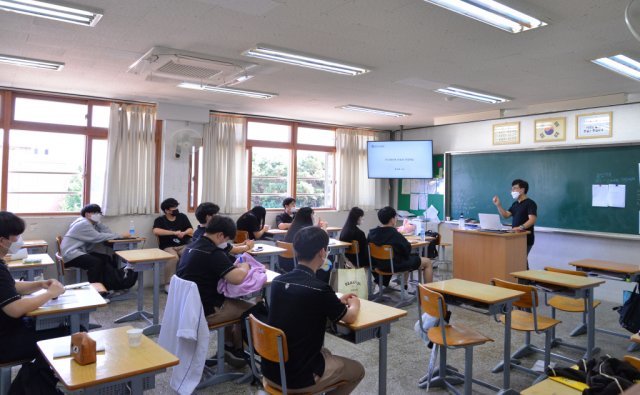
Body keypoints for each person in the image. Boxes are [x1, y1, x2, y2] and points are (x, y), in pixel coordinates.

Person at [263, 226, 364, 394]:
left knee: (327, 353)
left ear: (296, 250)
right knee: (357, 370)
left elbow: (300, 307)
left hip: (271, 371)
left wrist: (335, 301)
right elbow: (351, 317)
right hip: (298, 378)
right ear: (322, 252)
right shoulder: (320, 289)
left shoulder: (278, 282)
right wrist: (356, 303)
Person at [0, 211, 67, 390]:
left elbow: (10, 286)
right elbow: (14, 309)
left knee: (55, 326)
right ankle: (29, 387)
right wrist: (49, 294)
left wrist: (41, 285)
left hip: (7, 330)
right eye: (16, 235)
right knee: (71, 334)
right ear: (2, 240)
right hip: (5, 341)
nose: (20, 240)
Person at [176, 215, 253, 367]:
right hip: (207, 310)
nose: (226, 244)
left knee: (234, 303)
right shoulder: (213, 253)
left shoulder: (191, 246)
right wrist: (245, 267)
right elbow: (237, 278)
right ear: (219, 235)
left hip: (188, 308)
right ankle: (237, 350)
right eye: (226, 240)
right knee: (251, 310)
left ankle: (229, 347)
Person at [61, 204, 130, 284]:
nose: (98, 215)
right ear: (87, 214)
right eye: (95, 213)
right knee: (96, 262)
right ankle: (96, 290)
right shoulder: (84, 224)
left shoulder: (91, 224)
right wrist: (121, 235)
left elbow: (108, 233)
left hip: (77, 252)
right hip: (70, 255)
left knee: (106, 258)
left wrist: (99, 223)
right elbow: (97, 237)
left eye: (99, 213)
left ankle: (109, 284)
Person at [367, 206, 432, 285]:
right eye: (395, 217)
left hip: (378, 265)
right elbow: (407, 249)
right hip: (394, 266)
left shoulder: (371, 233)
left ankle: (404, 284)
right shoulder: (395, 234)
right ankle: (428, 291)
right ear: (392, 219)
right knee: (427, 262)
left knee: (404, 258)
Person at [492, 178, 538, 263]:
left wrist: (521, 227)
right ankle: (522, 276)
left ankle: (524, 276)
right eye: (512, 188)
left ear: (522, 190)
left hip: (525, 238)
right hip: (515, 237)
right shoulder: (515, 204)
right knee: (518, 261)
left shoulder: (530, 203)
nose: (512, 190)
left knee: (521, 261)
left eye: (515, 188)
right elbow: (506, 215)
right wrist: (498, 205)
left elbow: (532, 219)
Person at [153, 198, 193, 291]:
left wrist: (184, 233)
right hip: (167, 246)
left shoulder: (182, 217)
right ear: (166, 210)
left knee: (190, 255)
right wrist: (174, 233)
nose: (176, 209)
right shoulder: (160, 220)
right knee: (173, 258)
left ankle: (187, 281)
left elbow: (190, 229)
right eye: (173, 208)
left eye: (176, 207)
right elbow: (156, 231)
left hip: (183, 245)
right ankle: (168, 283)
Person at [279, 207, 327, 273]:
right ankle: (324, 282)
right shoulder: (306, 232)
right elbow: (324, 242)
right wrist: (324, 229)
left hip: (285, 263)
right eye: (313, 215)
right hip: (299, 264)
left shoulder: (294, 227)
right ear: (309, 217)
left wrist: (316, 228)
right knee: (328, 261)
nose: (313, 218)